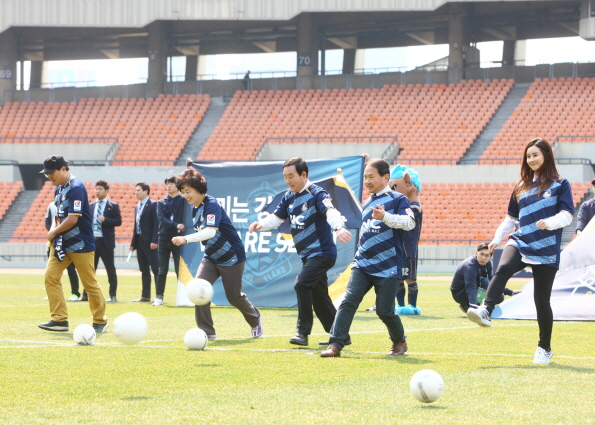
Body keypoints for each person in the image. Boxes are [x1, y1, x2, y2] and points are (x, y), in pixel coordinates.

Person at [467, 138, 574, 365]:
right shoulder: (520, 186)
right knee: (503, 267)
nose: (531, 159)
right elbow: (510, 218)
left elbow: (567, 215)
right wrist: (497, 239)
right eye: (528, 156)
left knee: (541, 301)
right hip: (521, 240)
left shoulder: (560, 183)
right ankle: (486, 309)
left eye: (535, 154)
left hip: (546, 249)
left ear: (546, 155)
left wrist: (551, 222)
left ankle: (544, 348)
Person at [248, 157, 353, 346]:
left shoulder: (317, 193)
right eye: (285, 177)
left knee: (302, 284)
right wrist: (260, 224)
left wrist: (338, 228)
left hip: (322, 254)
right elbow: (276, 219)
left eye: (291, 176)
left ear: (303, 175)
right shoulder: (288, 196)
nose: (288, 181)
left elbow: (330, 211)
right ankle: (340, 335)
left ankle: (302, 333)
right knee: (319, 296)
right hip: (308, 256)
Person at [321, 159, 415, 358]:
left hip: (388, 265)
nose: (367, 181)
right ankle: (335, 344)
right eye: (365, 177)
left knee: (384, 311)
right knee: (348, 302)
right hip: (362, 263)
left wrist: (386, 217)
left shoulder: (398, 199)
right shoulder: (367, 202)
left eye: (371, 177)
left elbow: (409, 223)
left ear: (386, 178)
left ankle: (399, 341)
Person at [172, 167, 263, 340]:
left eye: (188, 191)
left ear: (199, 189)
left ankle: (255, 319)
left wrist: (185, 239)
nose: (185, 196)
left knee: (234, 297)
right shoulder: (194, 207)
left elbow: (210, 232)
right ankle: (207, 332)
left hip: (232, 257)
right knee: (199, 289)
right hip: (211, 256)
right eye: (183, 192)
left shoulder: (211, 204)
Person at [38, 155, 108, 333]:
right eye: (46, 175)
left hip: (80, 244)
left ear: (63, 169)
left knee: (89, 284)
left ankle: (100, 320)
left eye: (51, 173)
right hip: (61, 244)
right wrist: (53, 231)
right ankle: (59, 319)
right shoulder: (58, 188)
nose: (49, 178)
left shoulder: (77, 187)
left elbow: (72, 219)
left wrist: (53, 231)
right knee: (50, 278)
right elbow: (59, 216)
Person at [366, 164, 423, 315]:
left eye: (394, 187)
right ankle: (400, 305)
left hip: (408, 248)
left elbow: (407, 222)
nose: (391, 190)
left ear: (410, 185)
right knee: (397, 278)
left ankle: (412, 306)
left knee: (410, 277)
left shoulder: (414, 208)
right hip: (396, 247)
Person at [82, 180, 122, 302]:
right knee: (89, 270)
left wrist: (106, 219)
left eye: (100, 189)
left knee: (110, 269)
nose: (97, 191)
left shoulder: (113, 206)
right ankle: (85, 295)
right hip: (92, 242)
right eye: (96, 189)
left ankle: (113, 295)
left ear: (106, 191)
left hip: (106, 242)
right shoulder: (90, 206)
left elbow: (118, 221)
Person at [451, 242, 520, 313]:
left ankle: (470, 305)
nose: (483, 258)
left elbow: (492, 281)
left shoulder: (487, 264)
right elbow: (470, 286)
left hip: (475, 288)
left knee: (500, 297)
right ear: (476, 253)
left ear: (491, 256)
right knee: (485, 282)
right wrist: (473, 306)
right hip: (460, 293)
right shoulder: (470, 266)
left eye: (487, 255)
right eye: (481, 254)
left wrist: (509, 292)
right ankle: (469, 305)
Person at [155, 176, 186, 306]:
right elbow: (162, 219)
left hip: (179, 240)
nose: (168, 186)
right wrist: (175, 225)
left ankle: (182, 297)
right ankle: (159, 297)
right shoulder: (161, 203)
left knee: (180, 270)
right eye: (167, 184)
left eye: (171, 184)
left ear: (177, 186)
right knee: (162, 270)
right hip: (163, 238)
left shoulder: (183, 201)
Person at [45, 200, 80, 301]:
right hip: (54, 242)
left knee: (71, 269)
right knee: (52, 270)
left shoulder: (69, 203)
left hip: (67, 240)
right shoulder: (51, 205)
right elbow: (47, 221)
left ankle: (75, 293)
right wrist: (53, 233)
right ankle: (52, 293)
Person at [130, 182, 159, 302]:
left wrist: (154, 240)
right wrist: (133, 243)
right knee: (144, 269)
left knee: (156, 269)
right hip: (140, 241)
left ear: (146, 191)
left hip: (150, 242)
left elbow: (157, 224)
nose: (136, 192)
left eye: (138, 190)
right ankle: (145, 295)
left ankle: (159, 295)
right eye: (135, 190)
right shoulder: (137, 206)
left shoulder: (153, 205)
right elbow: (136, 226)